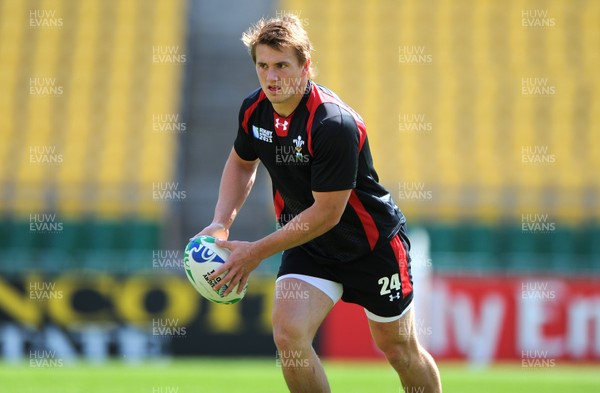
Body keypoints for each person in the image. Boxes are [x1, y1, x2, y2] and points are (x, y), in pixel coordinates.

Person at [193, 14, 442, 393]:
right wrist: (220, 222)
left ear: (305, 66)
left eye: (282, 66)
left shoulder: (333, 123)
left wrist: (255, 252)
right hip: (308, 244)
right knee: (289, 337)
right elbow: (241, 164)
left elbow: (328, 213)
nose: (271, 77)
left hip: (370, 246)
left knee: (399, 349)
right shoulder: (253, 110)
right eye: (263, 66)